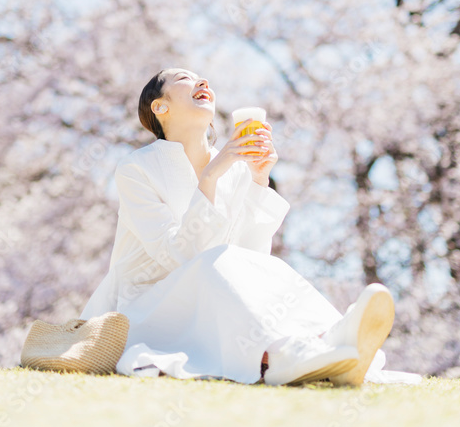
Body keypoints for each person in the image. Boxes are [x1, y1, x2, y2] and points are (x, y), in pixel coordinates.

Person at [79, 67, 396, 386]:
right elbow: (175, 255)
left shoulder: (234, 168)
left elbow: (250, 258)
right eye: (184, 79)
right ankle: (289, 354)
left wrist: (258, 178)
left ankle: (328, 339)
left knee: (269, 266)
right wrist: (210, 177)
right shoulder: (136, 168)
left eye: (202, 78)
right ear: (160, 107)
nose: (202, 81)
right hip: (149, 308)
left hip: (210, 302)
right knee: (213, 262)